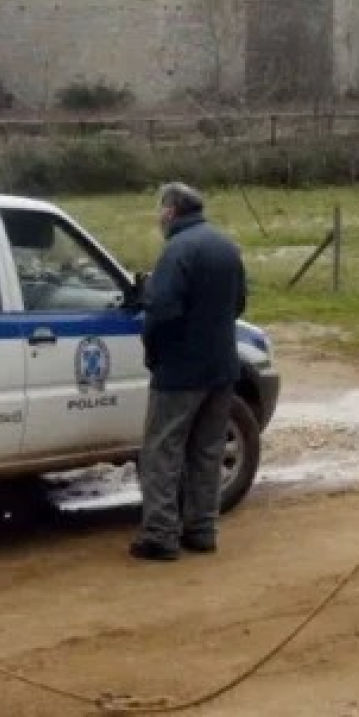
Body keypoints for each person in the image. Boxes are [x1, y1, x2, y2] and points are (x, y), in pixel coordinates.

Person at [131, 182, 246, 561]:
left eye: (160, 210)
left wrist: (153, 353)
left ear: (171, 211)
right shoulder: (227, 247)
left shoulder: (176, 251)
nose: (158, 217)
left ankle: (160, 534)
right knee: (207, 451)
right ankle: (201, 529)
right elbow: (239, 304)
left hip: (180, 370)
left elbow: (160, 311)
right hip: (222, 368)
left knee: (162, 451)